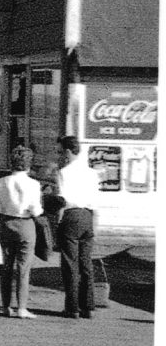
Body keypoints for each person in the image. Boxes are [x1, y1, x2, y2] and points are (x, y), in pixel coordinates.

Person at [0, 147, 44, 319]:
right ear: (29, 165)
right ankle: (22, 308)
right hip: (25, 225)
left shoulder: (2, 182)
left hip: (6, 224)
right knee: (23, 268)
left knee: (6, 267)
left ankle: (6, 306)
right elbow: (36, 210)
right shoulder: (34, 184)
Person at [55, 135, 99, 319]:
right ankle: (88, 306)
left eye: (59, 151)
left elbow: (61, 200)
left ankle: (72, 307)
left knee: (70, 263)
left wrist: (58, 221)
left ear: (67, 152)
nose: (58, 155)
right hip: (88, 216)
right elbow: (96, 201)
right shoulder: (92, 173)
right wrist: (94, 223)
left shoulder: (63, 173)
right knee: (86, 263)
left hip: (71, 216)